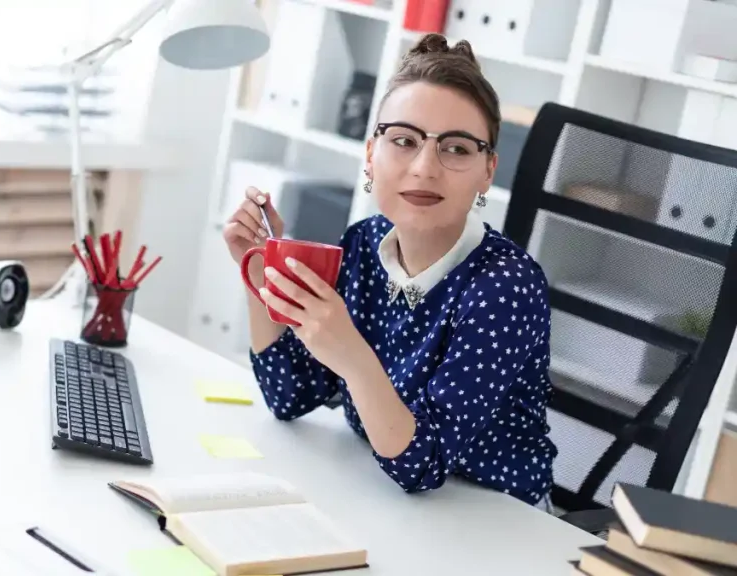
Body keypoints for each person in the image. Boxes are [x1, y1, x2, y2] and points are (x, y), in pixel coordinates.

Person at [222, 33, 557, 509]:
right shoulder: (362, 244)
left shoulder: (506, 287)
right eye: (403, 140)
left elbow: (425, 464)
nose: (424, 168)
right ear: (370, 155)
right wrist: (261, 280)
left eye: (457, 149)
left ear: (487, 171)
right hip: (382, 490)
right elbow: (288, 393)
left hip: (493, 517)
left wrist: (351, 354)